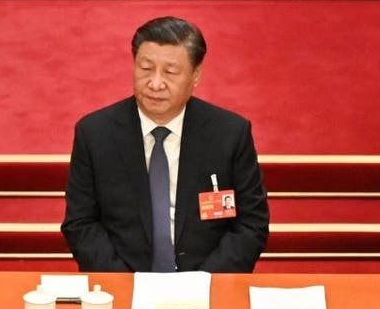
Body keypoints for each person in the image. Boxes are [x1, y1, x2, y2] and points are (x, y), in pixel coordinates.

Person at [62, 17, 269, 273]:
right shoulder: (95, 133)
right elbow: (81, 223)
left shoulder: (229, 133)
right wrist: (126, 284)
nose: (156, 83)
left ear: (196, 75)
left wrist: (203, 282)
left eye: (170, 72)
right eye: (146, 68)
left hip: (208, 286)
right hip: (123, 286)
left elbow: (251, 224)